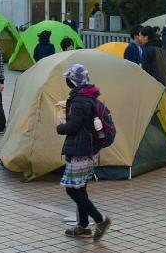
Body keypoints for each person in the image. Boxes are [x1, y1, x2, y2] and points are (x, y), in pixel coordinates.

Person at [56, 64, 112, 240]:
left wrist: (60, 127)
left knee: (72, 190)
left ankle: (100, 219)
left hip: (80, 148)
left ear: (73, 81)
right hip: (88, 148)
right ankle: (83, 226)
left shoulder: (80, 100)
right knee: (81, 189)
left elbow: (74, 125)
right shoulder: (88, 96)